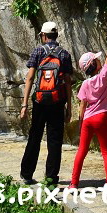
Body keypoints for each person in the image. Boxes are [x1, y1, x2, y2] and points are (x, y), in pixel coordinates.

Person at [67, 26, 107, 193]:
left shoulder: (84, 84)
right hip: (100, 118)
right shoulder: (104, 76)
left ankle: (73, 184)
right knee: (106, 151)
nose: (100, 60)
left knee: (82, 151)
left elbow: (82, 105)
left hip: (88, 120)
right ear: (94, 64)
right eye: (97, 59)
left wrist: (81, 122)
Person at [19, 21, 73, 186]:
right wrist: (69, 108)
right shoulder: (64, 54)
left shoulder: (38, 51)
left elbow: (29, 78)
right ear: (56, 35)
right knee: (55, 140)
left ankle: (27, 174)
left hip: (39, 102)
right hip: (57, 102)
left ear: (43, 35)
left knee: (35, 136)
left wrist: (24, 104)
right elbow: (68, 82)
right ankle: (51, 178)